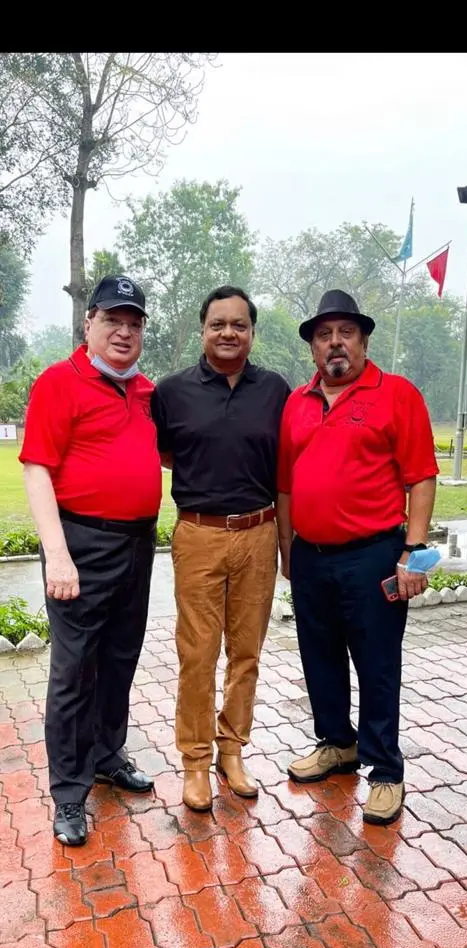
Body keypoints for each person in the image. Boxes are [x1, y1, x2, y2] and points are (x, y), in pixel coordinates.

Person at [277, 289, 439, 826]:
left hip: (374, 556)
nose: (335, 343)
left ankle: (385, 770)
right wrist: (287, 550)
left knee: (377, 664)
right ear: (313, 347)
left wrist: (412, 553)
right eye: (324, 335)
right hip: (311, 557)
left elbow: (421, 477)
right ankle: (337, 744)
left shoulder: (396, 394)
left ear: (363, 341)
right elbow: (285, 486)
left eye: (346, 332)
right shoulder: (297, 404)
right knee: (319, 656)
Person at [19, 275, 162, 846]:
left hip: (139, 543)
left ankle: (107, 754)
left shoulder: (144, 390)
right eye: (112, 320)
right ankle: (69, 792)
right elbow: (36, 469)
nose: (123, 332)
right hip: (80, 544)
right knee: (74, 671)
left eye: (133, 323)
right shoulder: (60, 381)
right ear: (89, 323)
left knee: (120, 657)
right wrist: (57, 554)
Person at [151, 285, 290, 812]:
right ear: (203, 330)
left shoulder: (275, 390)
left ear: (252, 332)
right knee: (198, 654)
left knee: (247, 652)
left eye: (239, 324)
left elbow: (284, 467)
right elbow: (167, 454)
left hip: (258, 533)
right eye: (218, 324)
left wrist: (286, 544)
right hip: (199, 534)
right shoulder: (172, 392)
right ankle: (194, 761)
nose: (228, 333)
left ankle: (232, 750)